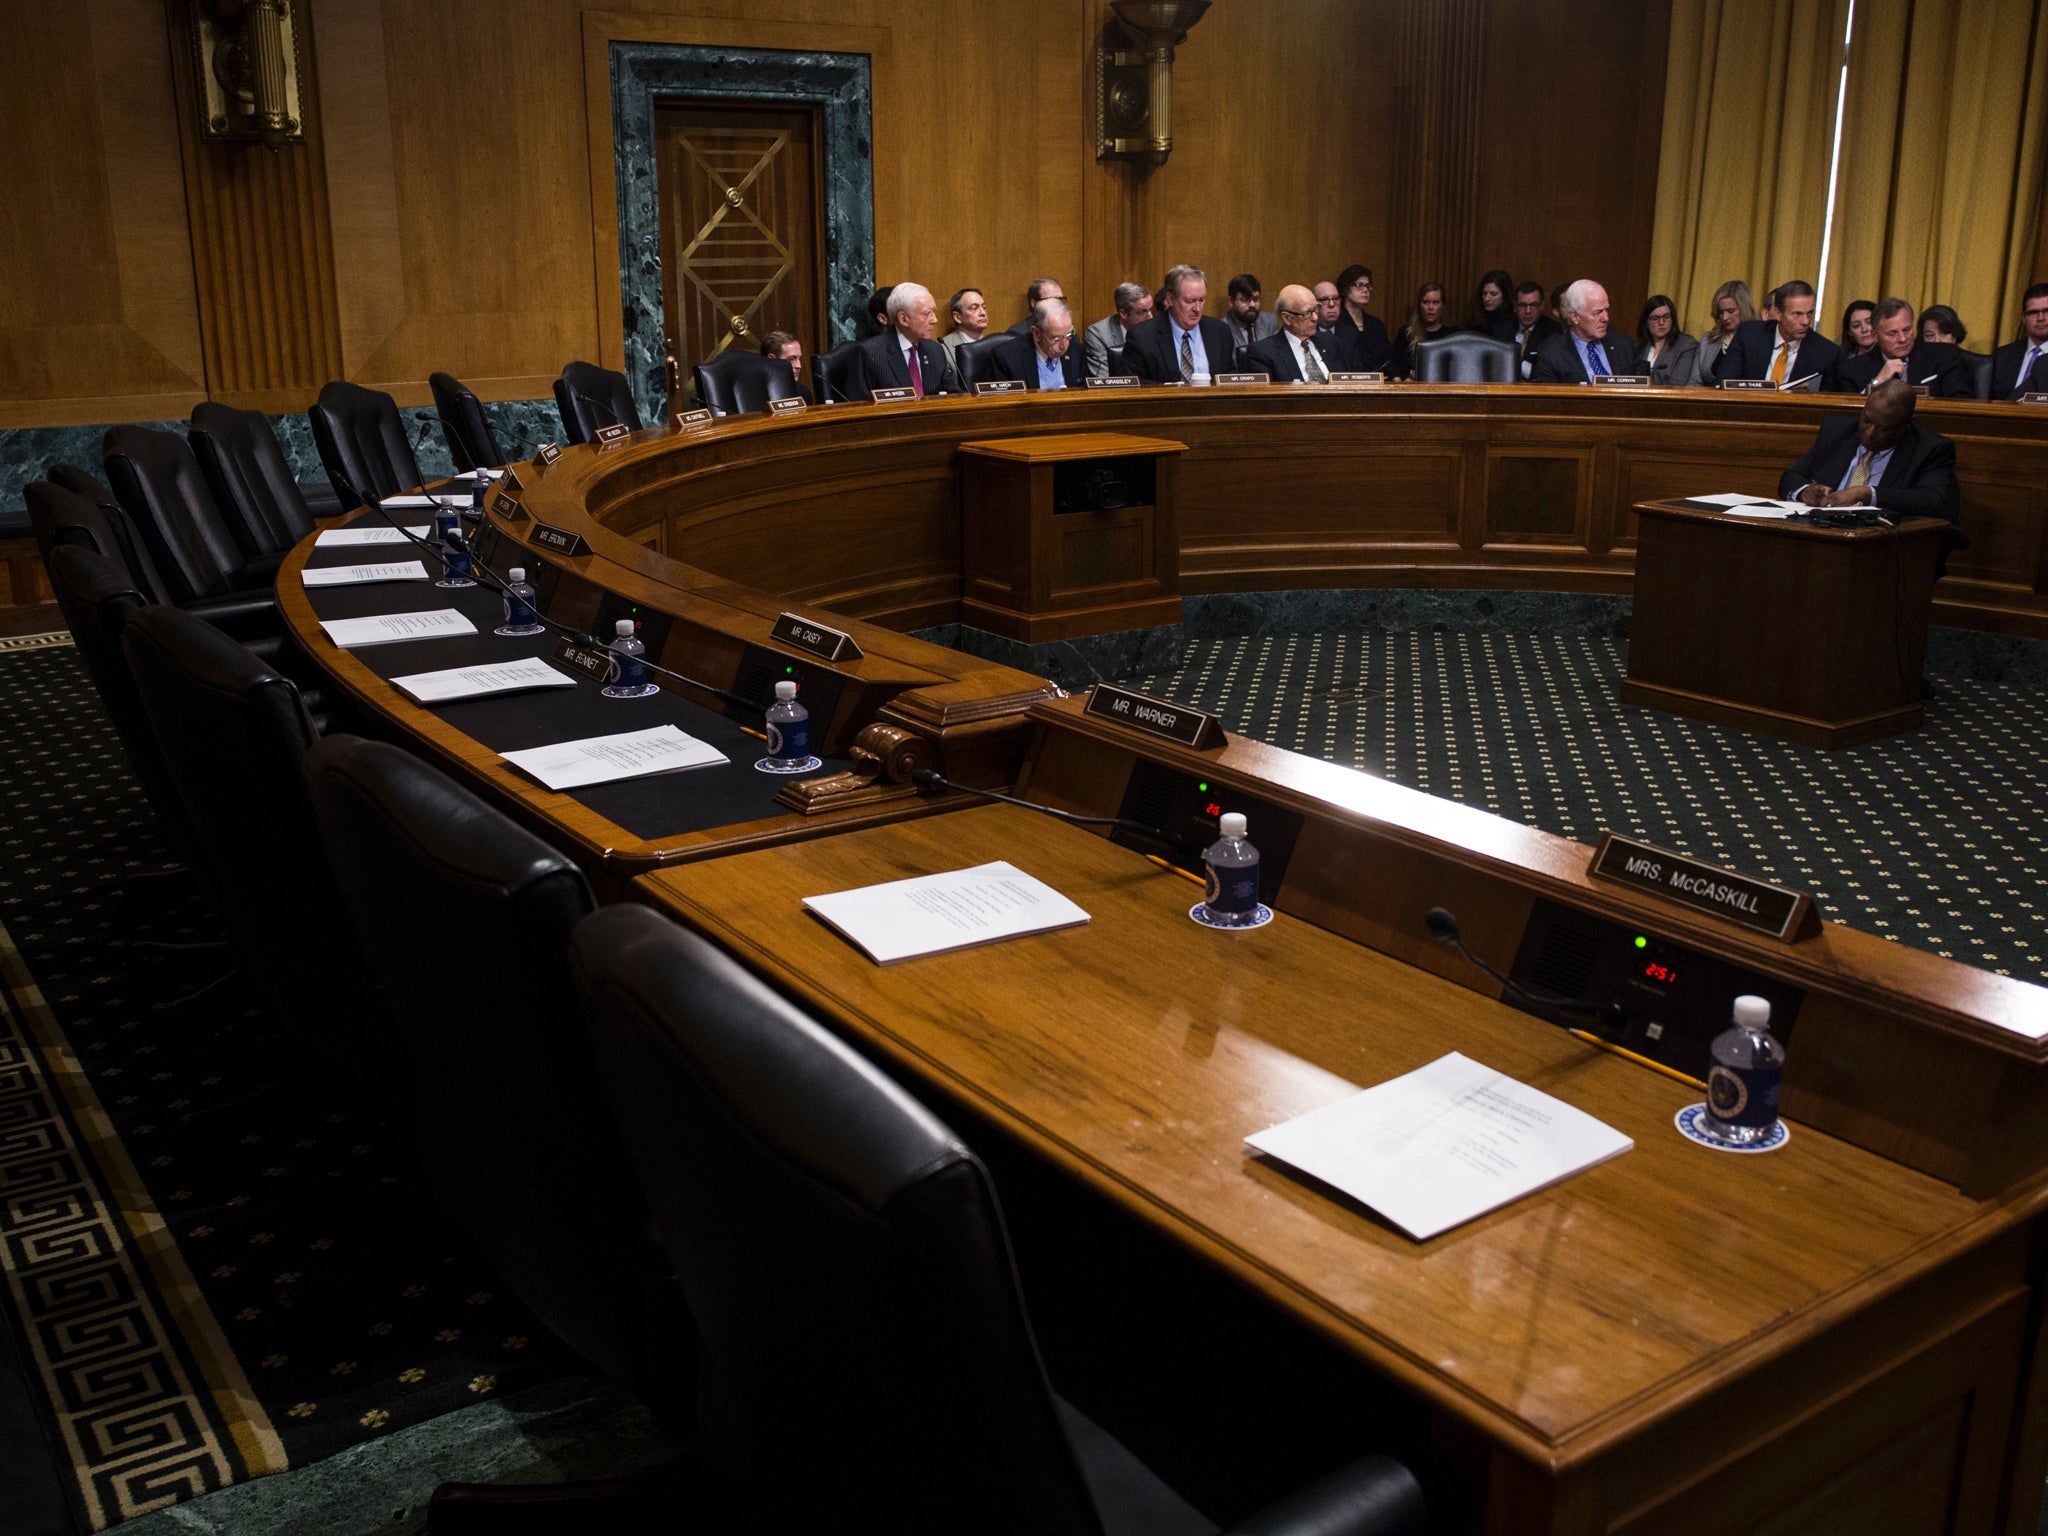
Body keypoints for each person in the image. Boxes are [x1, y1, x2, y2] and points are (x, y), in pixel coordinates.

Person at [1780, 379, 1960, 539]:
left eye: (1884, 428)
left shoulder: (1930, 449)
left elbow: (1932, 501)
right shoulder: (1836, 431)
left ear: (1907, 425)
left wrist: (1867, 494)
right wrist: (1804, 491)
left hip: (1882, 544)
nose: (1870, 433)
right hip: (1821, 535)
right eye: (1866, 420)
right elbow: (1791, 476)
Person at [1714, 279, 1839, 391]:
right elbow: (1724, 383)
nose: (1806, 321)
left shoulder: (1826, 353)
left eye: (1810, 313)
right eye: (1797, 314)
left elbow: (1826, 404)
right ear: (1778, 313)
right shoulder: (1749, 335)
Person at [1833, 298, 1974, 397]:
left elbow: (1961, 401)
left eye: (1907, 330)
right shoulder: (1852, 369)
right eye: (1892, 333)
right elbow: (1850, 415)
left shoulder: (1944, 355)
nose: (1903, 339)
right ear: (1875, 335)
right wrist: (1877, 383)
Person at [1123, 264, 1235, 385]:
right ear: (1170, 299)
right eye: (1190, 301)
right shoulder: (1142, 337)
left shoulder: (1220, 331)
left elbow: (1230, 378)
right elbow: (1133, 385)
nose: (1197, 308)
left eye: (1201, 300)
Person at [853, 282, 958, 397]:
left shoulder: (935, 350)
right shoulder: (871, 352)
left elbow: (953, 393)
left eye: (934, 312)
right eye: (927, 313)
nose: (934, 319)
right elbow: (858, 404)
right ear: (903, 318)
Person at [1529, 279, 1638, 383]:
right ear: (1575, 317)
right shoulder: (1551, 354)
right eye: (1597, 313)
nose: (1605, 318)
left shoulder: (1625, 347)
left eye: (1606, 310)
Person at [1244, 284, 1344, 383]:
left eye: (1316, 309)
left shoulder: (1330, 342)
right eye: (1308, 313)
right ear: (1287, 318)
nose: (1315, 318)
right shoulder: (1264, 353)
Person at [983, 299, 1084, 390]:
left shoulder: (1077, 352)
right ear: (1036, 333)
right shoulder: (1006, 358)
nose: (1064, 345)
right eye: (1056, 339)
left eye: (1068, 335)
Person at [1989, 283, 2048, 399]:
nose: (2041, 318)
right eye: (2033, 312)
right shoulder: (2002, 356)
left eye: (2047, 311)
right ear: (2023, 318)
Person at [1692, 280, 1756, 385]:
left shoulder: (1759, 339)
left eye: (1731, 311)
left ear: (1744, 309)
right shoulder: (1707, 339)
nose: (1725, 317)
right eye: (1721, 312)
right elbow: (1694, 381)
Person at [1082, 282, 1152, 378]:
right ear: (1123, 314)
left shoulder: (1156, 330)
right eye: (1143, 311)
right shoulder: (1098, 335)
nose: (1150, 317)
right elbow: (1105, 380)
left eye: (1150, 309)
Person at [1386, 282, 1454, 379]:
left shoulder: (1453, 334)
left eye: (1435, 302)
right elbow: (1395, 365)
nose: (1430, 308)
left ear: (1442, 305)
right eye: (1426, 302)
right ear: (1419, 305)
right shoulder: (1407, 333)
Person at [1332, 264, 1390, 371]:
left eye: (1368, 286)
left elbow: (1387, 357)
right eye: (1359, 285)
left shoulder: (1376, 324)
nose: (1365, 290)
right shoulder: (1336, 322)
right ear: (1345, 289)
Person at [1636, 295, 1698, 386]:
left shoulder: (1685, 345)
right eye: (1655, 318)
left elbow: (1678, 384)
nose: (1661, 323)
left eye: (1666, 317)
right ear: (1646, 322)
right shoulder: (1639, 347)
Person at [1220, 274, 1279, 363]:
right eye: (1245, 300)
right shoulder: (1222, 329)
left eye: (1255, 299)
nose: (1252, 304)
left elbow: (1277, 358)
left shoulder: (1269, 322)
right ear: (1231, 302)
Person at [1509, 281, 1558, 380]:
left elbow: (1548, 372)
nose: (1528, 311)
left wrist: (1517, 363)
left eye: (1534, 305)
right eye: (1522, 305)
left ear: (1542, 306)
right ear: (1515, 306)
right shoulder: (1501, 329)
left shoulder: (1553, 331)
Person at [941, 288, 989, 376]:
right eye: (974, 308)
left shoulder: (996, 346)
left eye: (984, 307)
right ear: (957, 317)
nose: (983, 313)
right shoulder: (943, 349)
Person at [758, 330, 810, 403]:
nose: (799, 366)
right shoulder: (751, 394)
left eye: (799, 359)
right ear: (771, 359)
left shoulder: (803, 392)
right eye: (791, 359)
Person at [1469, 269, 1516, 340]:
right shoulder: (1475, 322)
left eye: (1493, 294)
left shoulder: (1514, 323)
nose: (1487, 299)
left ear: (1505, 295)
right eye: (1484, 293)